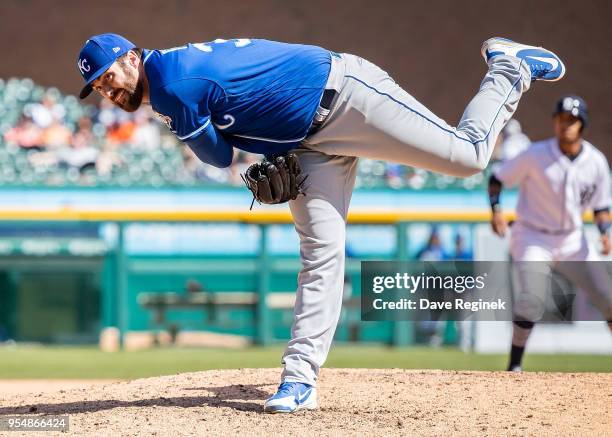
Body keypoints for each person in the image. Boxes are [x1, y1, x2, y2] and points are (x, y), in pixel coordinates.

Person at [77, 33, 565, 413]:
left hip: (347, 96)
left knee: (468, 156)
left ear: (130, 56)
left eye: (107, 75)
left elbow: (217, 155)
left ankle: (508, 67)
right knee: (320, 253)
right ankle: (299, 377)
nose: (106, 88)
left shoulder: (168, 85)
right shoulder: (169, 73)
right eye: (97, 85)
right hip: (304, 144)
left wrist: (235, 149)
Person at [488, 95, 612, 372]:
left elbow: (601, 206)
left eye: (571, 120)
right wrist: (496, 209)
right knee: (532, 299)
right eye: (560, 119)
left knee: (609, 298)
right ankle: (514, 366)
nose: (564, 125)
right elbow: (497, 178)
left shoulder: (596, 162)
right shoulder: (535, 154)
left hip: (572, 239)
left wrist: (605, 231)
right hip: (533, 236)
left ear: (582, 125)